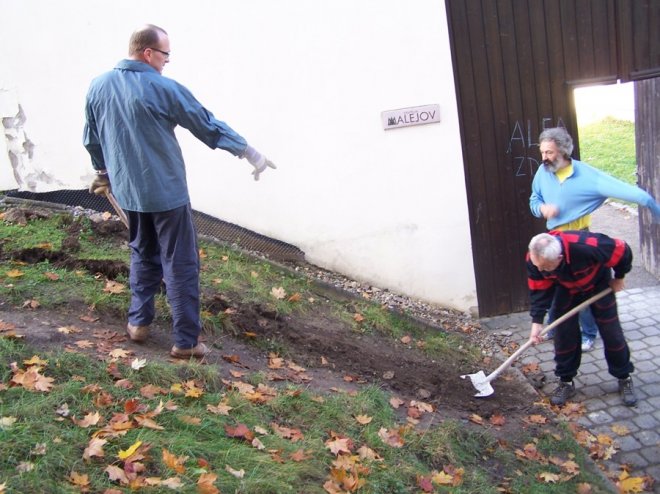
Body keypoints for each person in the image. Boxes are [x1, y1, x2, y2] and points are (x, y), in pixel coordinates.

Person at [83, 24, 276, 359]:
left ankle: (138, 324)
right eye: (165, 54)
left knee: (142, 254)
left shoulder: (98, 86)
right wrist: (249, 152)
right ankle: (186, 341)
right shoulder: (163, 88)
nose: (167, 61)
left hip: (130, 193)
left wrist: (102, 173)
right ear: (148, 53)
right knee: (181, 264)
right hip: (167, 194)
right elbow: (205, 123)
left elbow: (92, 137)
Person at [529, 127, 660, 351]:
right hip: (554, 239)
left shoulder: (587, 176)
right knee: (556, 285)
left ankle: (588, 334)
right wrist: (542, 209)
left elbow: (633, 194)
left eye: (549, 152)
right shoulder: (543, 172)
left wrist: (653, 207)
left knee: (581, 288)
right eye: (542, 152)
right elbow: (535, 199)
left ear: (563, 151)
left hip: (580, 240)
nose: (544, 158)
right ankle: (554, 326)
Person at [526, 231, 637, 407]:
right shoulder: (535, 259)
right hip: (565, 289)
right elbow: (539, 290)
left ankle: (624, 377)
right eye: (538, 266)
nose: (540, 270)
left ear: (559, 258)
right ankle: (566, 382)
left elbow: (623, 250)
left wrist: (619, 277)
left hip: (598, 285)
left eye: (545, 267)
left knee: (612, 334)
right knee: (564, 337)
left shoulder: (588, 245)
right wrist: (537, 322)